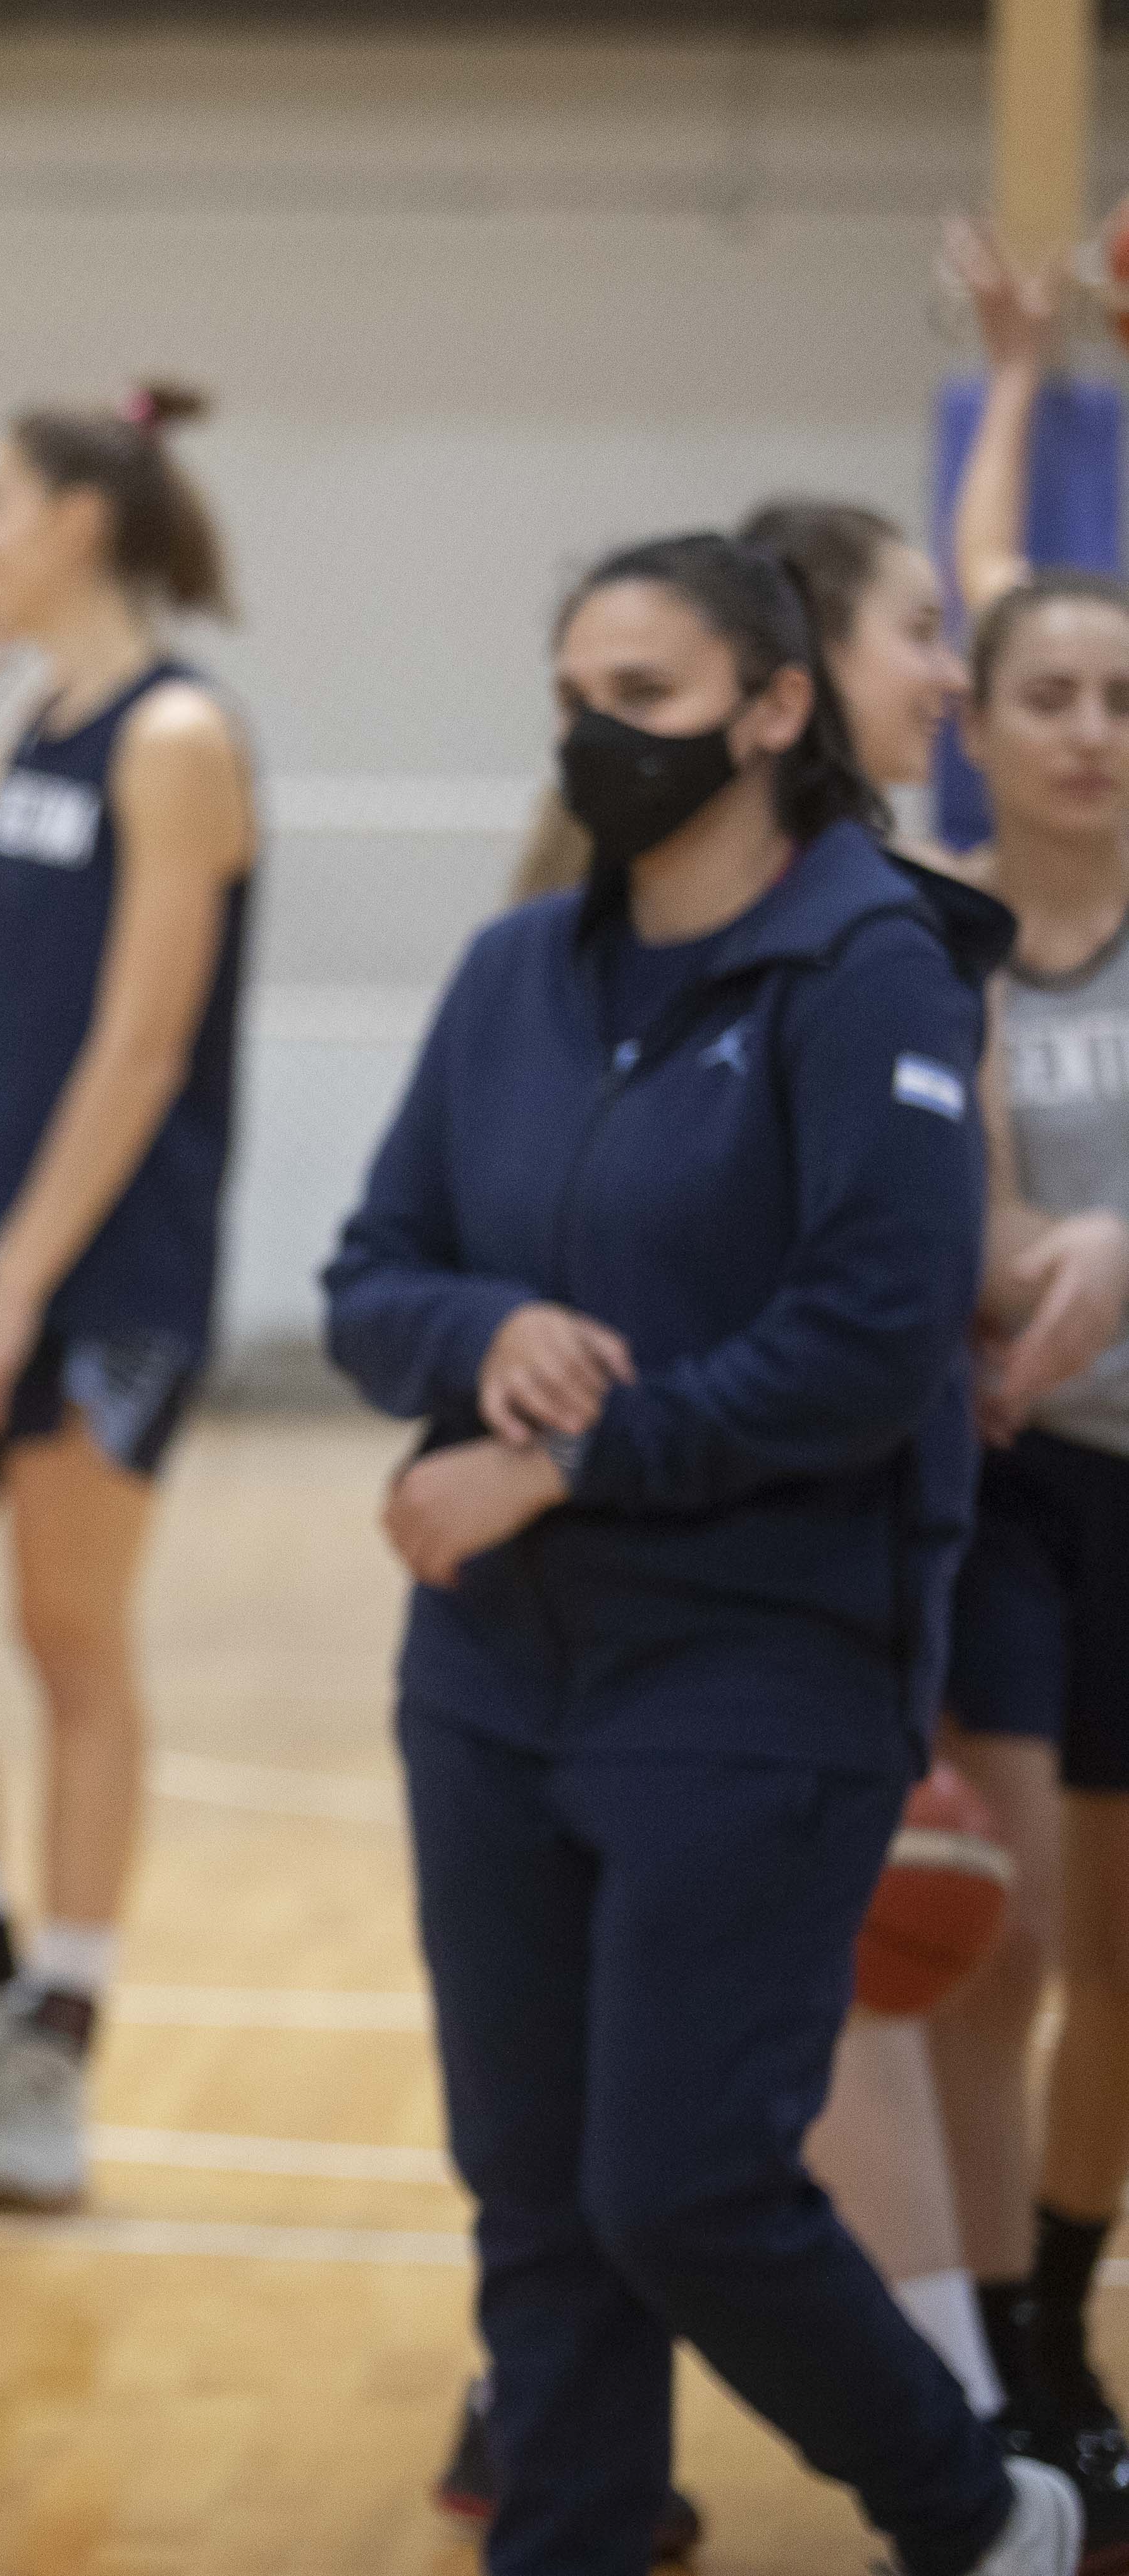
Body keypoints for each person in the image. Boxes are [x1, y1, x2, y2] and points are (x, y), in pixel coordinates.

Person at [326, 529, 1075, 2576]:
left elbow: (863, 1339)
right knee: (533, 2197)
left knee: (678, 2184)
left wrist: (564, 1464)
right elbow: (368, 1272)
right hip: (487, 1670)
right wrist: (476, 1336)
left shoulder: (871, 973)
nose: (594, 735)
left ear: (766, 712)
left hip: (758, 1664)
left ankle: (965, 2509)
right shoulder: (507, 976)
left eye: (641, 697)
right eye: (573, 693)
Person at [0, 383, 255, 2212]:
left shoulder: (176, 736)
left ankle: (60, 2050)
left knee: (70, 1643)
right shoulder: (28, 722)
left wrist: (13, 1289)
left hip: (100, 1277)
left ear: (82, 516)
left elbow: (145, 1044)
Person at [931, 214, 1129, 2506]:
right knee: (992, 1933)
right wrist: (1013, 369)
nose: (1085, 725)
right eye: (1045, 694)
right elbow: (1001, 577)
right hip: (997, 1482)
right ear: (970, 724)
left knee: (1118, 1961)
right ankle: (984, 2339)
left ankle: (1053, 2299)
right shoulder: (938, 927)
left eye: (1115, 696)